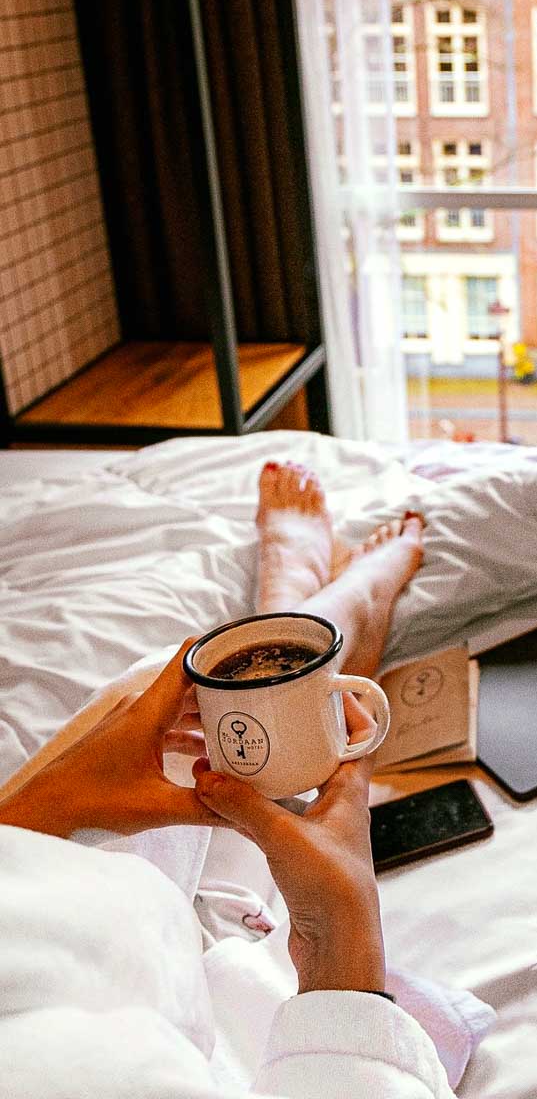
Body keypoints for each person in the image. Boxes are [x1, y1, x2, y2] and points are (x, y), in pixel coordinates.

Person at [0, 461, 462, 1098]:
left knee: (161, 714)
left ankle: (298, 606)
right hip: (199, 1017)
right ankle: (333, 606)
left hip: (55, 928)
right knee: (257, 761)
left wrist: (34, 814)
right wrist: (343, 948)